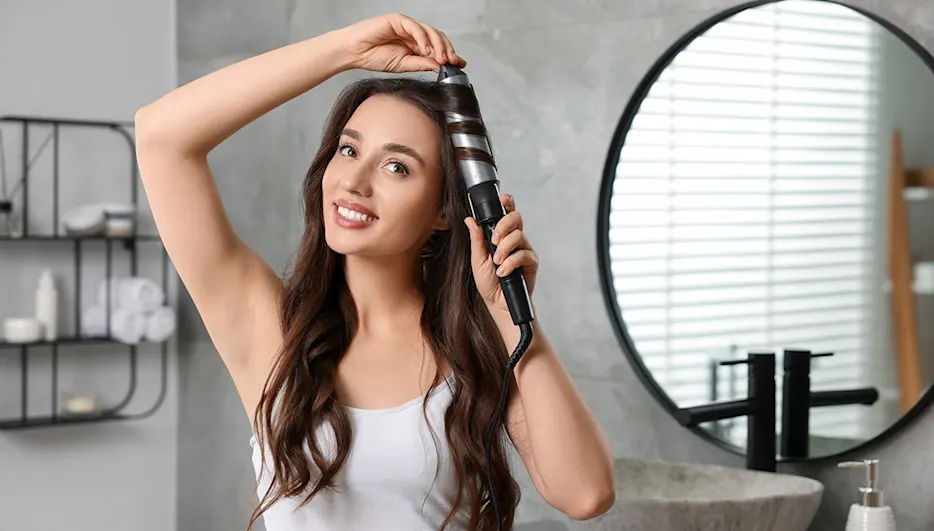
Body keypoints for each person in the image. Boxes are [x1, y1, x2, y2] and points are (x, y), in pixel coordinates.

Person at [134, 12, 615, 531]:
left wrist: (515, 319)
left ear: (443, 212)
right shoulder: (272, 332)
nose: (354, 182)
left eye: (397, 166)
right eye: (349, 149)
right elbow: (162, 137)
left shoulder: (476, 346)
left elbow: (585, 494)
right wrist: (344, 50)